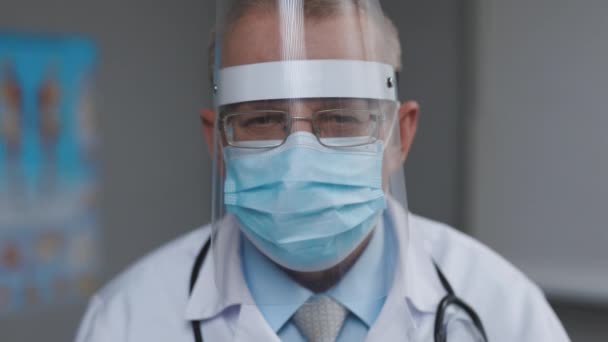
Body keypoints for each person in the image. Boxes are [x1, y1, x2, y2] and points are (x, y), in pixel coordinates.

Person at [75, 1, 570, 341]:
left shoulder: (504, 310)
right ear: (216, 141)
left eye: (341, 118)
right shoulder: (126, 321)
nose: (299, 155)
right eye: (264, 120)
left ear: (401, 134)